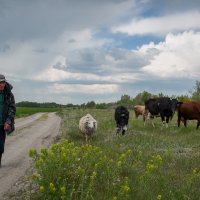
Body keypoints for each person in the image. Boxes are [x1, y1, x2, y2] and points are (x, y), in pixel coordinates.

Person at [0, 74, 16, 167]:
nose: (1, 84)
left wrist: (8, 121)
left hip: (3, 124)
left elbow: (12, 108)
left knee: (0, 147)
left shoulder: (9, 94)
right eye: (0, 83)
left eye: (3, 82)